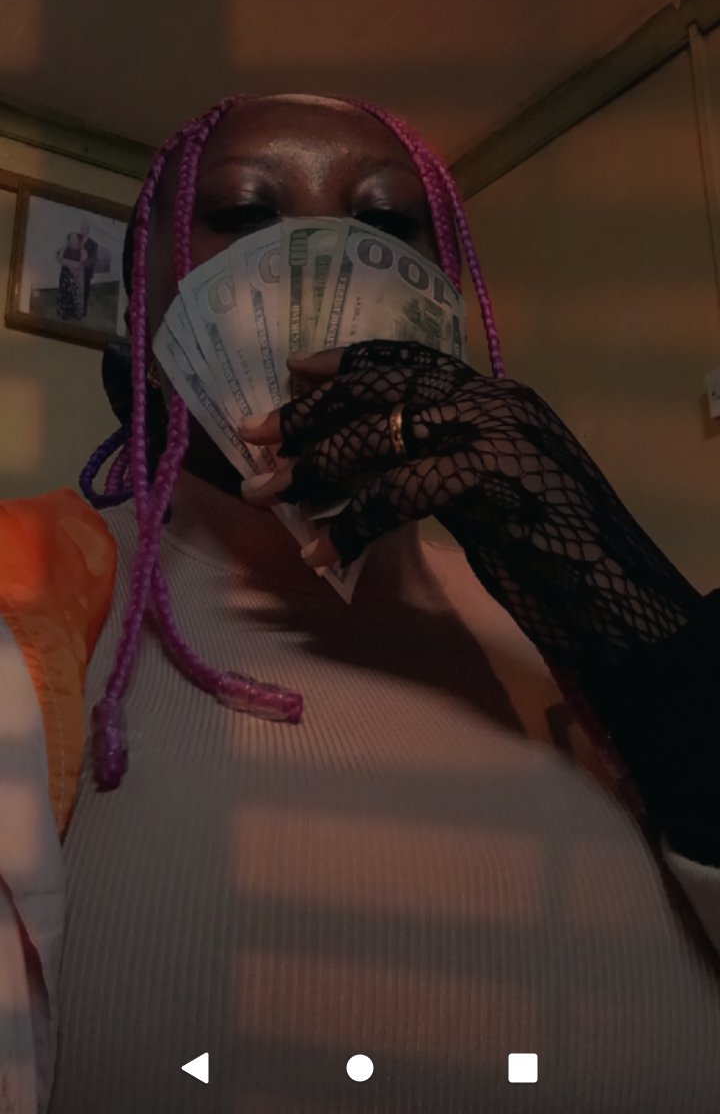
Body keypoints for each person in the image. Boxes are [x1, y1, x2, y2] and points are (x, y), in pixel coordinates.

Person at [0, 91, 718, 1114]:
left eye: (384, 221)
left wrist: (654, 634)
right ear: (139, 305)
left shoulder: (574, 616)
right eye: (245, 213)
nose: (322, 255)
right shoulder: (26, 601)